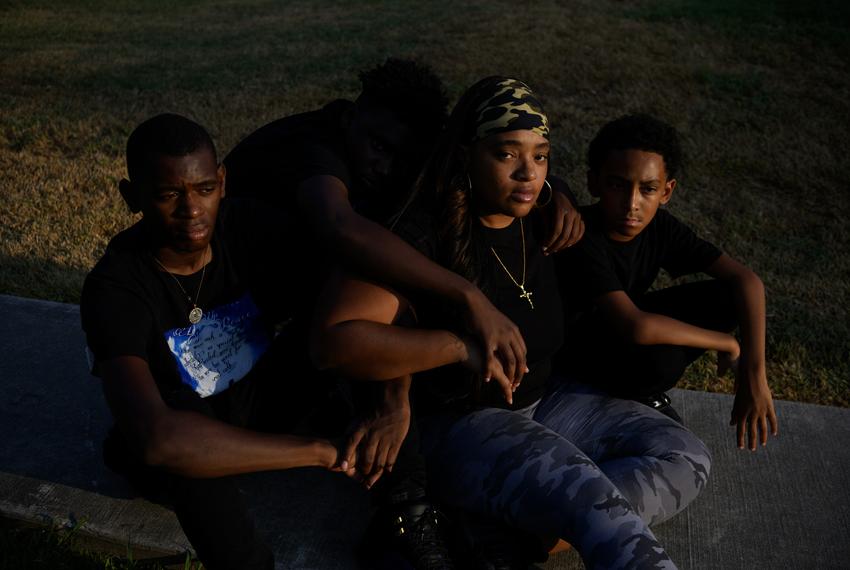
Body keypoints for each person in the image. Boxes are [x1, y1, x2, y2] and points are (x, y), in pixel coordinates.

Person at [312, 77, 710, 569]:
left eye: (540, 156)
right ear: (467, 156)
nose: (528, 173)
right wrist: (460, 346)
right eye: (507, 155)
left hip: (547, 402)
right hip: (460, 425)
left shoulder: (543, 217)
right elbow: (335, 342)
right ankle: (570, 517)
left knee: (685, 456)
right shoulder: (421, 233)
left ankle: (506, 543)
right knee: (591, 499)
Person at [225, 58, 584, 568]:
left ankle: (409, 508)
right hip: (227, 313)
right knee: (238, 430)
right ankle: (402, 513)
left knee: (381, 331)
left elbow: (501, 154)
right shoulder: (314, 148)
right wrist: (467, 296)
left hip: (297, 303)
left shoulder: (405, 154)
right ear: (351, 118)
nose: (386, 164)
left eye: (403, 154)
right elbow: (340, 230)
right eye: (377, 145)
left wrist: (556, 192)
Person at [80, 114, 346, 570]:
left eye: (204, 189)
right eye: (168, 195)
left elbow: (351, 287)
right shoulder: (116, 285)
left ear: (222, 181)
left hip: (260, 399)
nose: (192, 210)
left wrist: (393, 401)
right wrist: (317, 452)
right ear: (132, 197)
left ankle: (412, 507)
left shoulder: (247, 226)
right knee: (184, 439)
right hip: (178, 436)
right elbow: (156, 439)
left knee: (345, 327)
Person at [555, 114, 778, 448]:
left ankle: (638, 390)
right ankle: (632, 396)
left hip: (620, 329)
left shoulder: (660, 227)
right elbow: (636, 327)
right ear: (594, 182)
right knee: (663, 359)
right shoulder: (582, 237)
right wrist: (728, 343)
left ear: (666, 191)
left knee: (729, 297)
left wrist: (755, 374)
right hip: (578, 354)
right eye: (618, 184)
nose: (632, 204)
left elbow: (747, 281)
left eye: (647, 189)